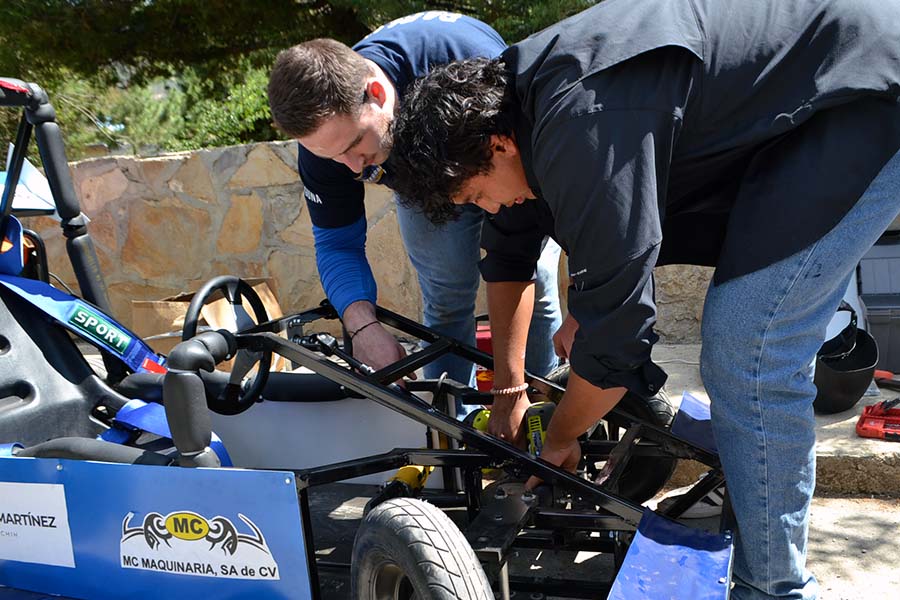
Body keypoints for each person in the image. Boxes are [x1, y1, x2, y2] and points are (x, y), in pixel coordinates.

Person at [387, 0, 900, 597]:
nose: (487, 208)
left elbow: (617, 346)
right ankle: (759, 512)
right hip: (803, 106)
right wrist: (509, 387)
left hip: (862, 92)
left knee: (749, 348)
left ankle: (774, 588)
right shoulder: (505, 105)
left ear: (497, 147)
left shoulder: (579, 119)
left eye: (477, 194)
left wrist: (559, 438)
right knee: (736, 334)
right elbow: (508, 257)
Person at [266, 11, 563, 410]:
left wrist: (510, 390)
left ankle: (541, 410)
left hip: (497, 158)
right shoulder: (328, 140)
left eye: (356, 146)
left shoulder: (468, 61)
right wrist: (361, 323)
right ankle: (450, 426)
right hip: (418, 183)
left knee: (536, 281)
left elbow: (554, 192)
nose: (354, 168)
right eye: (334, 157)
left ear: (377, 92)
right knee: (445, 296)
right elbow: (337, 243)